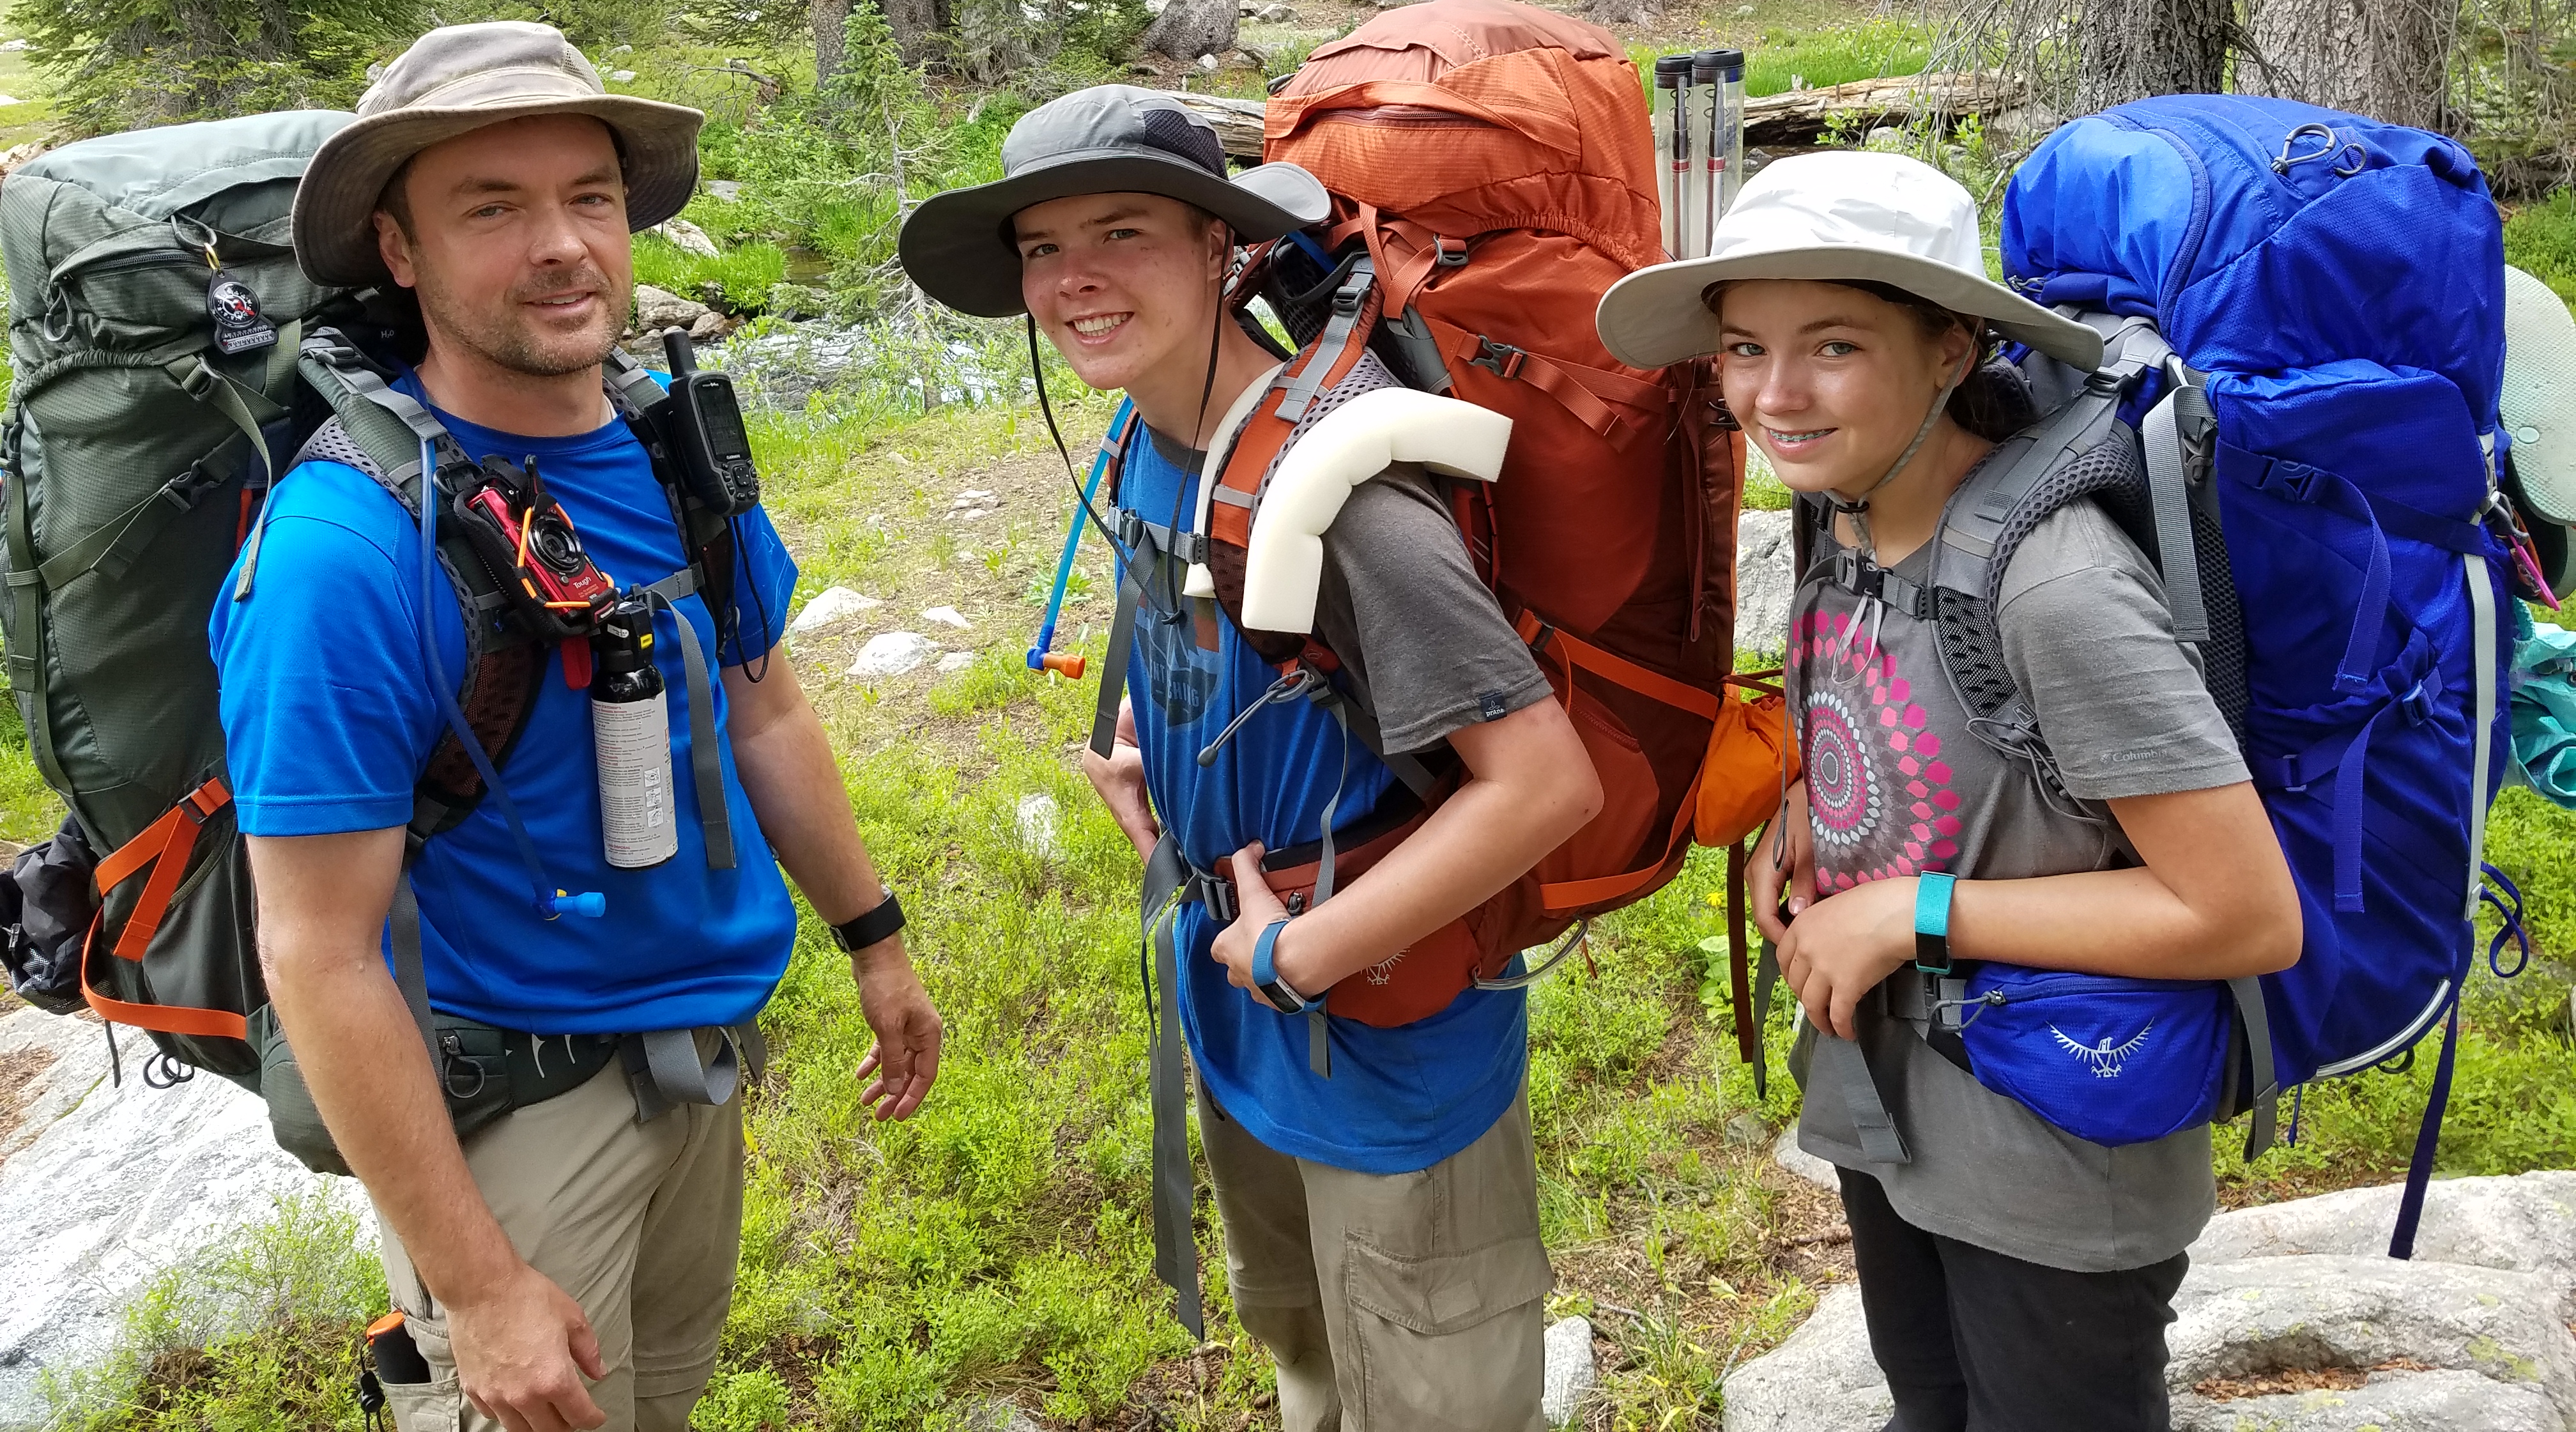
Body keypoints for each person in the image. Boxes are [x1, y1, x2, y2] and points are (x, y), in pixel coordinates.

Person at [219, 22, 942, 1432]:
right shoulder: (346, 552)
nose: (562, 245)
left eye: (589, 198)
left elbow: (764, 703)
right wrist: (479, 1289)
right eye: (493, 207)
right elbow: (315, 948)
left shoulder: (662, 447)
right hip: (512, 1128)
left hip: (696, 1067)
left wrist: (877, 937)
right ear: (402, 249)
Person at [896, 85, 1604, 1432]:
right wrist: (1152, 779)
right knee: (1310, 1364)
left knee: (1433, 1393)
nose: (1074, 280)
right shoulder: (1149, 438)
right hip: (1242, 1002)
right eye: (1043, 248)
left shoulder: (1338, 495)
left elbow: (1543, 783)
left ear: (1221, 248)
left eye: (1123, 233)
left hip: (1381, 1027)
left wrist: (1306, 954)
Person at [1595, 151, 2303, 1432]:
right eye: (1743, 349)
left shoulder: (2057, 590)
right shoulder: (1852, 511)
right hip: (1901, 1104)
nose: (1777, 394)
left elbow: (2246, 914)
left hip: (2055, 1145)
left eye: (1835, 346)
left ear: (1950, 349)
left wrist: (1908, 911)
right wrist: (1816, 823)